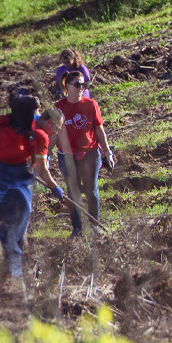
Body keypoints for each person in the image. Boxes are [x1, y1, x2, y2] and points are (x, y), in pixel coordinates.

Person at [0, 93, 66, 279]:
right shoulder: (33, 133)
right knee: (12, 221)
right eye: (57, 128)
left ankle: (13, 262)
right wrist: (54, 187)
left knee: (9, 220)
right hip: (7, 177)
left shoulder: (7, 124)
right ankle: (15, 270)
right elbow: (41, 170)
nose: (57, 132)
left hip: (6, 175)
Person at [54, 72, 116, 237]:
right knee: (73, 191)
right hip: (67, 156)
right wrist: (44, 156)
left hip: (90, 154)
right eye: (77, 84)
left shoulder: (91, 104)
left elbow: (99, 129)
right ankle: (77, 228)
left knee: (91, 190)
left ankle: (94, 226)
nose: (81, 88)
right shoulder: (58, 107)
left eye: (83, 84)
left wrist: (107, 152)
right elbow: (54, 134)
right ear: (67, 86)